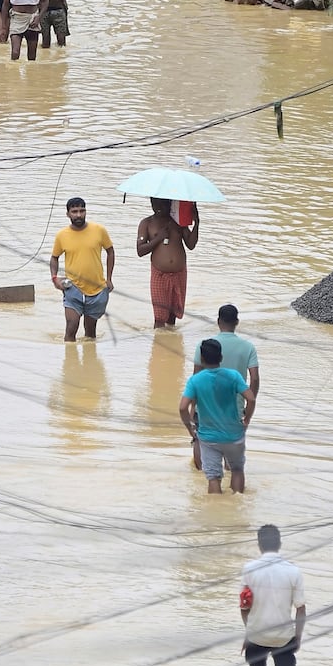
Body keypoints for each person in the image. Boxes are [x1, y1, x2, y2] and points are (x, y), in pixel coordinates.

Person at [240, 524, 306, 666]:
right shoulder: (293, 571)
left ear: (259, 545)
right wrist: (297, 638)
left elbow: (244, 606)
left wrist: (249, 630)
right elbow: (301, 610)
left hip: (257, 635)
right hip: (284, 636)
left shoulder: (249, 569)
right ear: (280, 544)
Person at [179, 338, 255, 493]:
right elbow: (251, 398)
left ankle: (215, 513)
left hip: (209, 437)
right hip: (234, 435)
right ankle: (237, 507)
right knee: (237, 470)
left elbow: (182, 408)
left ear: (202, 359)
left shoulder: (195, 381)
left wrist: (190, 429)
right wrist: (246, 419)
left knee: (213, 477)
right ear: (221, 357)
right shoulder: (233, 376)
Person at [50, 198, 115, 342]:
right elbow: (54, 258)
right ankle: (70, 363)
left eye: (81, 211)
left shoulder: (99, 230)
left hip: (97, 289)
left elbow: (110, 251)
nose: (78, 215)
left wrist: (109, 279)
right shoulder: (62, 235)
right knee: (71, 328)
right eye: (74, 212)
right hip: (73, 288)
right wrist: (54, 278)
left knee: (91, 333)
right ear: (68, 214)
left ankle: (89, 362)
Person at [136, 197, 198, 328]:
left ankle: (170, 342)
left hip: (179, 274)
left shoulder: (178, 222)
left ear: (170, 203)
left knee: (172, 316)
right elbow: (140, 250)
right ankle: (159, 345)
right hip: (159, 275)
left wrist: (196, 224)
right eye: (155, 203)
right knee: (159, 318)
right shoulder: (147, 223)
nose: (158, 206)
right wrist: (158, 238)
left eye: (162, 203)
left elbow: (191, 244)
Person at [193, 304, 259, 397]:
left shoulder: (203, 345)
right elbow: (254, 379)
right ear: (237, 322)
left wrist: (194, 407)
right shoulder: (248, 347)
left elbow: (196, 377)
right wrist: (250, 405)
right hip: (235, 408)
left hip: (206, 407)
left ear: (218, 321)